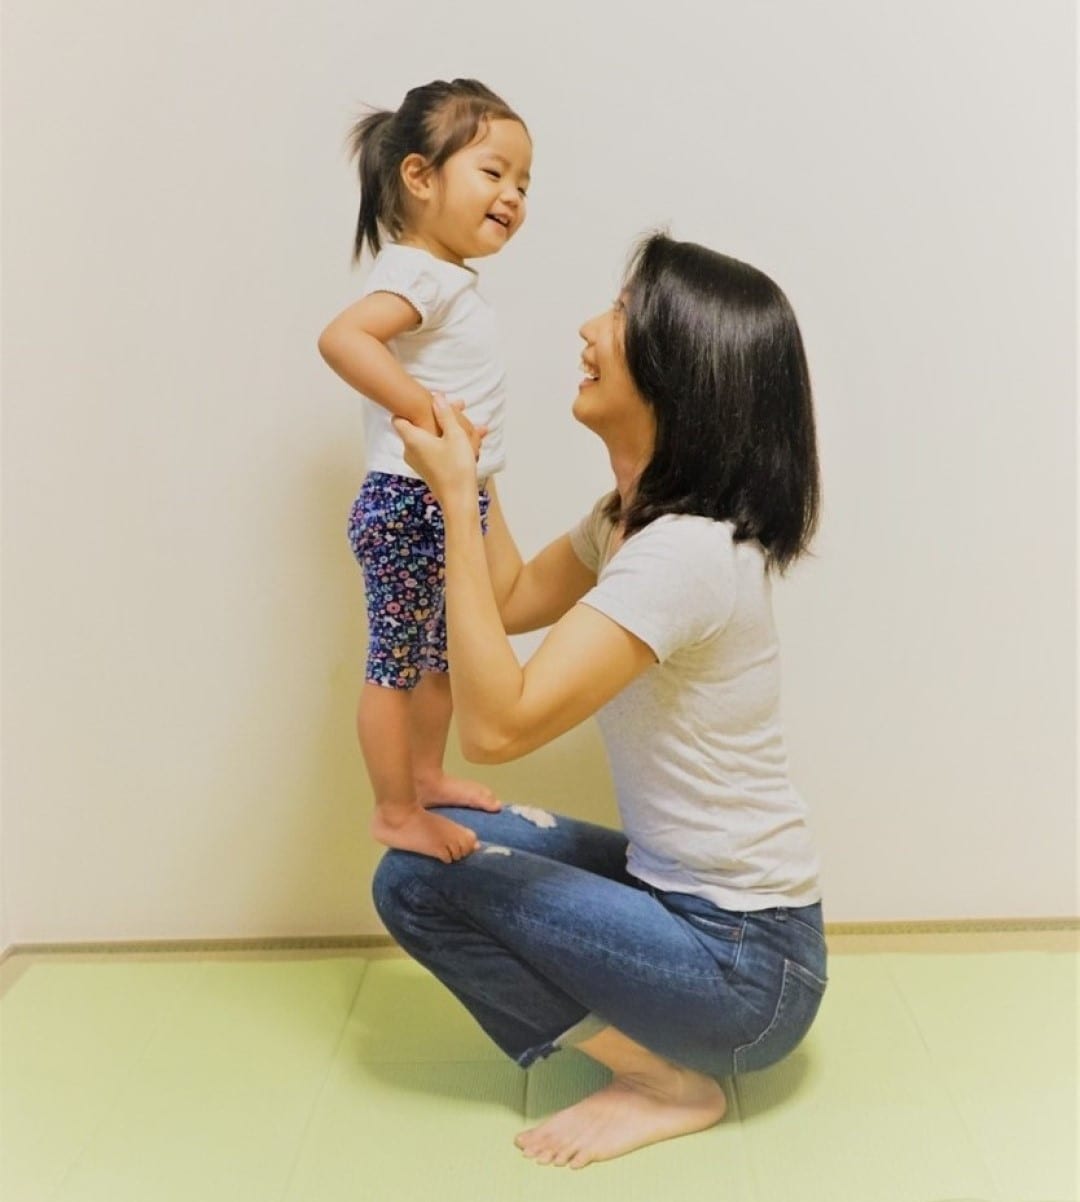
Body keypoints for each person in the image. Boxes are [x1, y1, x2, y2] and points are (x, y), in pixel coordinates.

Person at [373, 232, 827, 1169]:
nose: (589, 328)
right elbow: (506, 600)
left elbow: (497, 727)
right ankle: (654, 1051)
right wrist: (475, 462)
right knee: (435, 837)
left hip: (749, 973)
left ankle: (667, 1079)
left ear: (681, 368)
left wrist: (458, 503)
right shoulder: (630, 521)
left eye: (619, 315)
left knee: (417, 883)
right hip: (686, 908)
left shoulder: (687, 553)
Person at [318, 79, 532, 864]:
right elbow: (344, 340)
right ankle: (394, 809)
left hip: (442, 500)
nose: (511, 194)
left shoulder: (444, 278)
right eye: (494, 172)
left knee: (437, 656)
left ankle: (427, 775)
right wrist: (430, 415)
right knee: (394, 661)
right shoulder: (419, 273)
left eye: (523, 182)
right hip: (407, 502)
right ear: (419, 177)